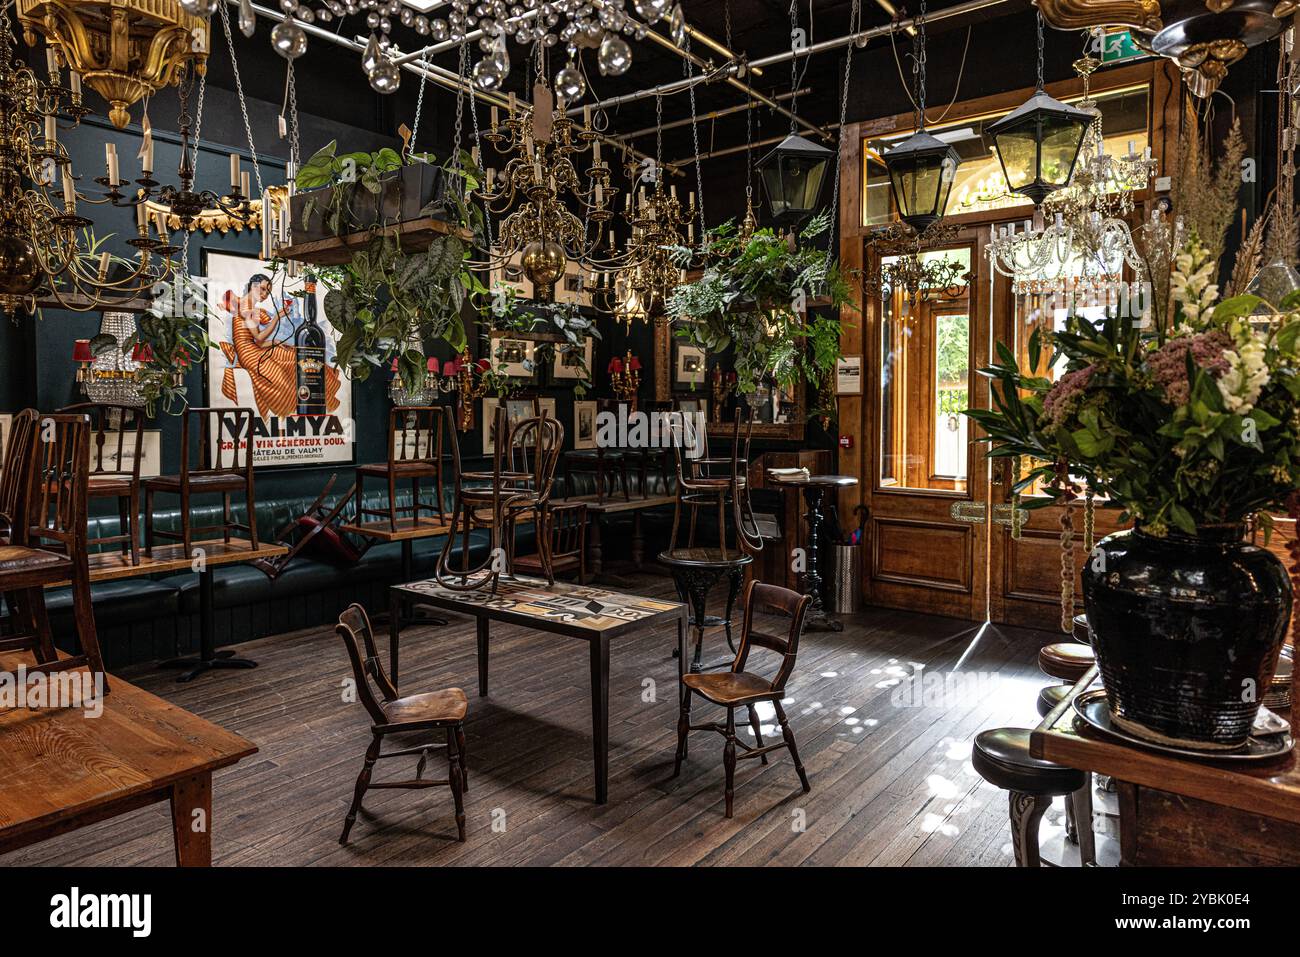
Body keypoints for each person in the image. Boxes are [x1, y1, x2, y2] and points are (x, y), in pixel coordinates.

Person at [217, 273, 341, 418]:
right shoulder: (246, 307)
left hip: (255, 349)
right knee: (287, 367)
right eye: (263, 289)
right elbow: (258, 338)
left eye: (268, 292)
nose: (265, 295)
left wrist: (276, 342)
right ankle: (295, 404)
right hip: (249, 354)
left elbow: (260, 342)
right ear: (253, 286)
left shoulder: (250, 307)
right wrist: (277, 317)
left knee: (295, 354)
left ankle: (313, 400)